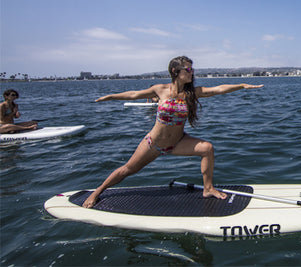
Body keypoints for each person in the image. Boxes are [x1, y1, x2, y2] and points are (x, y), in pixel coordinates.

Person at [83, 56, 264, 208]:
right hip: (152, 144)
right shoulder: (160, 89)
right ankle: (98, 191)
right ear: (175, 72)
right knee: (128, 170)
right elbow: (133, 94)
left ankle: (208, 188)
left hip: (177, 143)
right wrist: (110, 97)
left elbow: (217, 89)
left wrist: (241, 85)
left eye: (192, 69)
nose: (192, 72)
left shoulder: (192, 93)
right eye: (188, 69)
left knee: (207, 148)